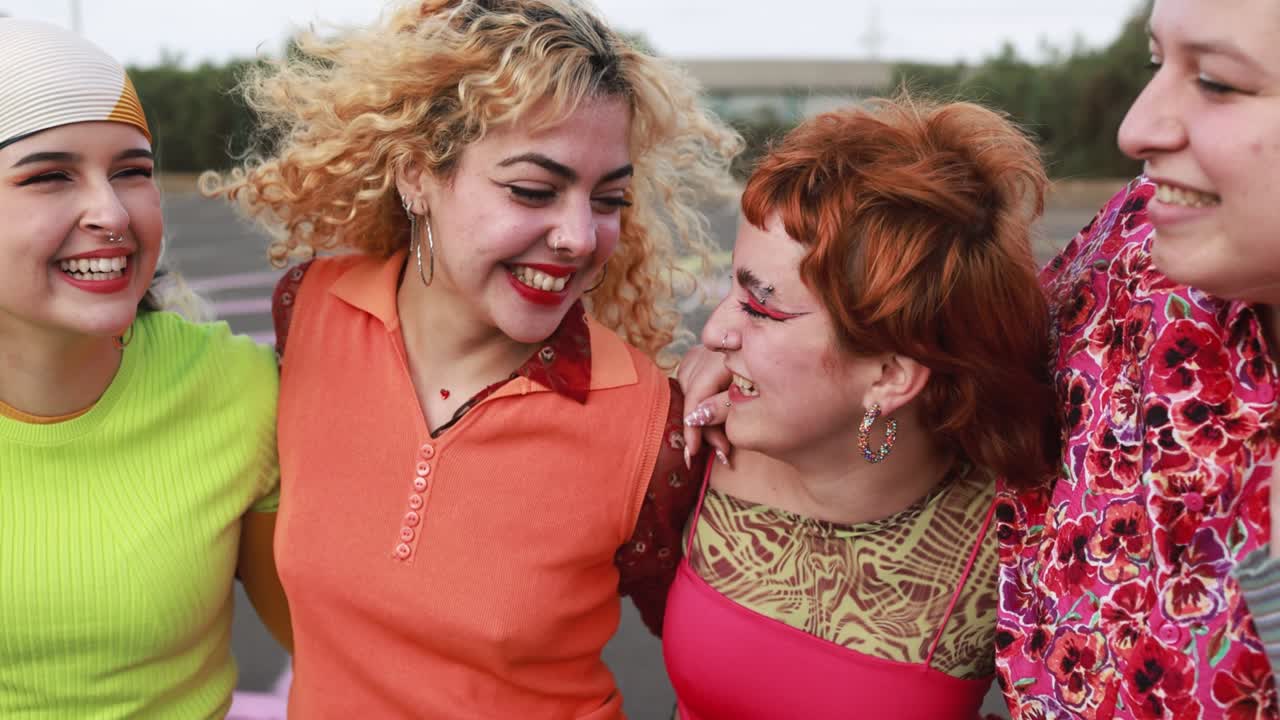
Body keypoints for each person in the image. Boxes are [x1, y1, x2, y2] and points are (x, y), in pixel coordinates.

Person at [682, 1, 1280, 716]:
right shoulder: (1139, 257)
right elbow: (950, 315)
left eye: (1216, 80)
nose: (1135, 127)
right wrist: (754, 353)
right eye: (1158, 62)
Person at [204, 0, 740, 717]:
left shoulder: (652, 425)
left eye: (609, 198)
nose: (581, 237)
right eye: (533, 190)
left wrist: (841, 428)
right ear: (417, 175)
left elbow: (730, 661)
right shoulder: (311, 310)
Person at [664, 97, 1059, 719]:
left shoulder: (1017, 531)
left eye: (763, 309)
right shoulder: (695, 437)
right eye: (734, 289)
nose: (714, 332)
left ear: (891, 374)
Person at [0, 18, 290, 718]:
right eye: (49, 176)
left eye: (132, 171)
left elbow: (347, 643)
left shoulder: (238, 390)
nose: (111, 212)